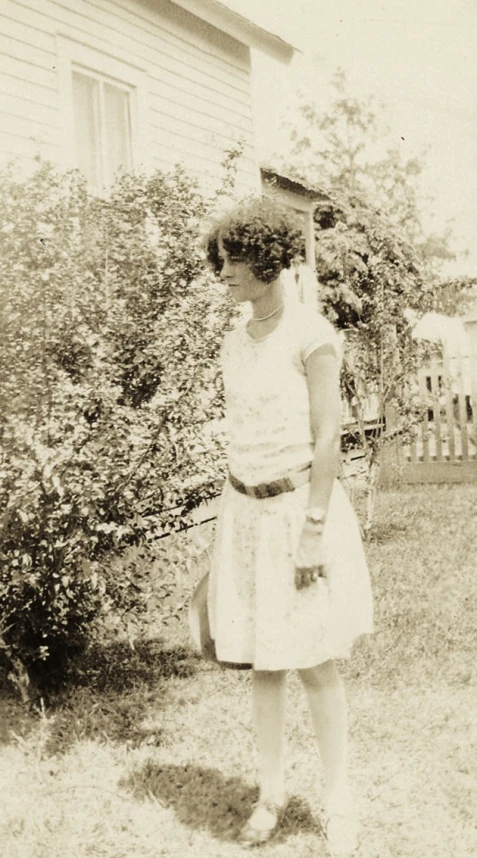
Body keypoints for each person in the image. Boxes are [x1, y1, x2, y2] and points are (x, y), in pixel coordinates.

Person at [204, 196, 373, 856]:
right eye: (219, 260)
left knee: (314, 664)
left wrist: (309, 530)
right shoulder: (231, 343)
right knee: (262, 665)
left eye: (234, 260)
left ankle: (337, 799)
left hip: (300, 512)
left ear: (268, 259)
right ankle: (270, 791)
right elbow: (242, 436)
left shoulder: (312, 336)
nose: (223, 272)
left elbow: (327, 438)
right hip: (242, 515)